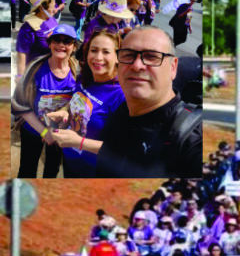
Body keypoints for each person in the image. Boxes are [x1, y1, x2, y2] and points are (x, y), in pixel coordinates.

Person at [95, 26, 202, 177]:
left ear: (173, 67)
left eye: (152, 56)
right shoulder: (122, 111)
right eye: (128, 55)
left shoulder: (193, 140)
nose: (137, 65)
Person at [47, 30, 126, 177]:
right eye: (94, 50)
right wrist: (66, 111)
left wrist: (79, 142)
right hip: (70, 160)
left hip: (92, 171)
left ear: (118, 57)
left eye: (106, 52)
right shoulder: (85, 77)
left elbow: (123, 150)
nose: (98, 57)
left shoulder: (122, 96)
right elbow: (77, 101)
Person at [12, 23, 79, 178]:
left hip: (60, 133)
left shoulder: (78, 72)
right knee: (27, 170)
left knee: (52, 170)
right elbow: (19, 104)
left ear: (74, 47)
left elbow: (78, 103)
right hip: (32, 129)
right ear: (49, 44)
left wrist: (55, 132)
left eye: (67, 41)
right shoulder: (35, 67)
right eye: (56, 40)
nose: (61, 45)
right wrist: (44, 131)